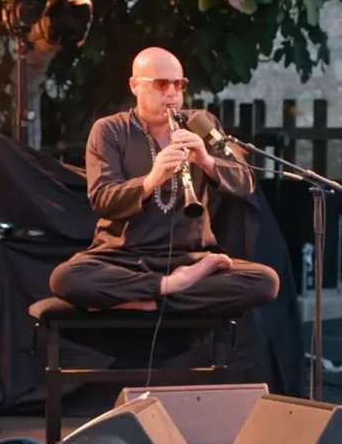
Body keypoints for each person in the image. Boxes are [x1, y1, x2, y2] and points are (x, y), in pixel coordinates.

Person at [48, 47, 278, 317]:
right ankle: (170, 286)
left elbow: (245, 182)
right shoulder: (109, 130)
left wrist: (205, 160)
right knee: (66, 278)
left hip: (191, 256)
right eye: (161, 84)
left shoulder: (201, 123)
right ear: (134, 85)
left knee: (265, 282)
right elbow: (101, 200)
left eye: (179, 84)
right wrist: (152, 179)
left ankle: (140, 301)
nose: (172, 93)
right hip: (123, 256)